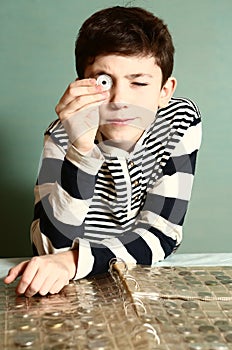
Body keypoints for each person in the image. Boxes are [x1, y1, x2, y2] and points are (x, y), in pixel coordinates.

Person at [4, 6, 202, 297]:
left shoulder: (180, 122)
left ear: (164, 91)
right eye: (103, 82)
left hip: (138, 278)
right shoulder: (62, 133)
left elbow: (162, 233)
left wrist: (74, 260)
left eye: (139, 82)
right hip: (74, 288)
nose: (120, 100)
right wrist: (81, 150)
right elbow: (49, 248)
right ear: (81, 83)